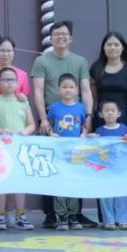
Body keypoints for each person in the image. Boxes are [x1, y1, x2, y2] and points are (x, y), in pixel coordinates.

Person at [32, 21, 92, 229]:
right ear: (51, 38)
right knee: (52, 167)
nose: (61, 37)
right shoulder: (42, 60)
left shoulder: (80, 61)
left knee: (76, 166)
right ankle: (52, 214)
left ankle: (75, 214)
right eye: (57, 34)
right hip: (52, 117)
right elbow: (38, 91)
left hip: (77, 118)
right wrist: (43, 119)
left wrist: (88, 116)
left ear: (71, 38)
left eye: (64, 34)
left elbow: (86, 90)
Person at [0, 68, 35, 230]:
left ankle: (20, 214)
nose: (9, 83)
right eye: (5, 79)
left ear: (18, 82)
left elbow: (31, 124)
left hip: (19, 148)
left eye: (13, 79)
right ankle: (0, 214)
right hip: (0, 148)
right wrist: (1, 131)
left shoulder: (23, 101)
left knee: (18, 181)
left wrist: (25, 131)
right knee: (1, 180)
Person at [46, 74, 87, 230]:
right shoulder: (54, 107)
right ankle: (61, 215)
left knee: (74, 182)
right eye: (64, 87)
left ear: (76, 90)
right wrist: (51, 133)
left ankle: (73, 214)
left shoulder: (81, 107)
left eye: (71, 87)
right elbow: (49, 125)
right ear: (59, 90)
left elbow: (84, 126)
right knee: (60, 182)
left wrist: (84, 134)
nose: (68, 90)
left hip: (76, 152)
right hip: (59, 151)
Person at [91, 100, 127, 230]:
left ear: (119, 113)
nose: (110, 113)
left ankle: (122, 219)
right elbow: (94, 148)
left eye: (113, 110)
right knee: (106, 194)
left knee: (124, 193)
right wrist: (92, 138)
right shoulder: (99, 131)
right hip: (105, 169)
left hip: (121, 168)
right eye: (106, 111)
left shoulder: (124, 129)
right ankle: (109, 220)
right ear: (101, 114)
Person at [90, 32, 127, 134]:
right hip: (101, 117)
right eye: (109, 45)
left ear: (123, 48)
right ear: (103, 48)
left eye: (116, 45)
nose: (112, 48)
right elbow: (93, 97)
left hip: (123, 117)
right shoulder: (96, 68)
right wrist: (90, 117)